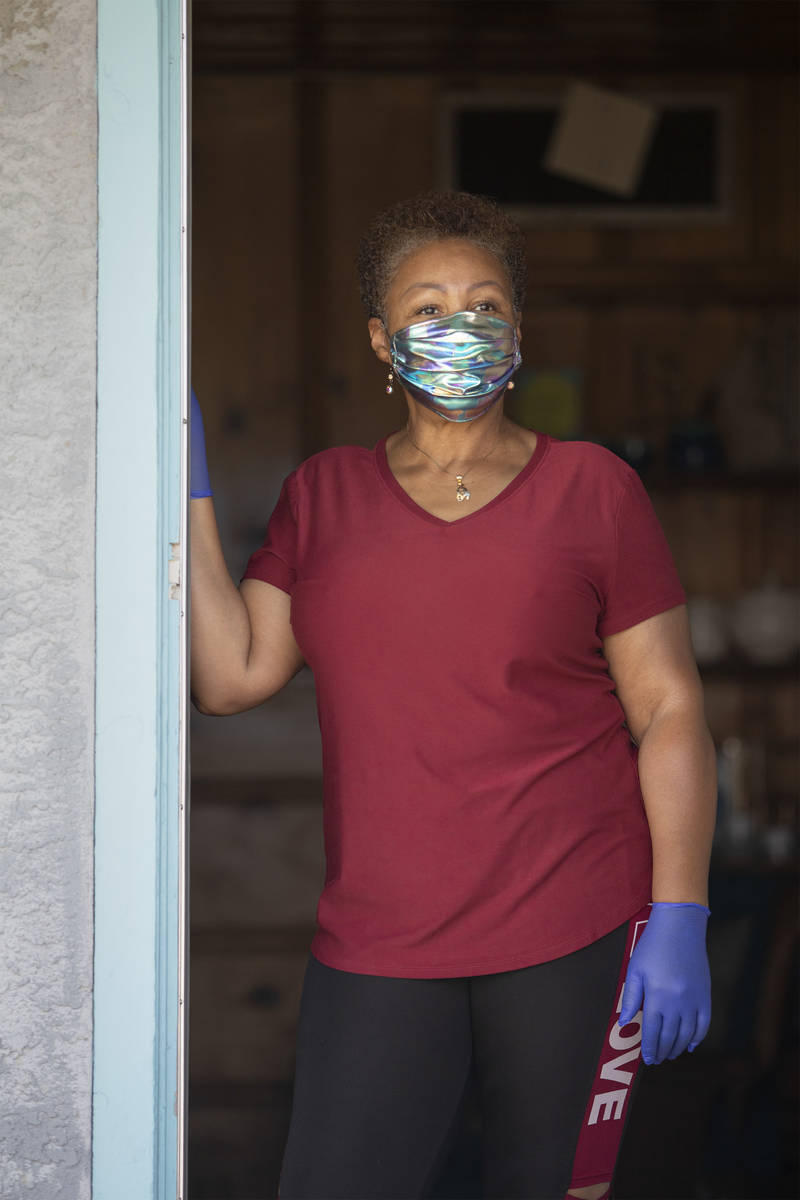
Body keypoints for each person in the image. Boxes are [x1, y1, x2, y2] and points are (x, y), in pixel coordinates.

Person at [189, 190, 716, 1200]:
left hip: (576, 923)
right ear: (381, 341)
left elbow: (668, 710)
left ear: (516, 334)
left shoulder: (593, 489)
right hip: (380, 937)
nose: (456, 327)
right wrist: (192, 489)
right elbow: (229, 676)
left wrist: (679, 907)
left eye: (482, 305)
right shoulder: (322, 496)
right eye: (425, 308)